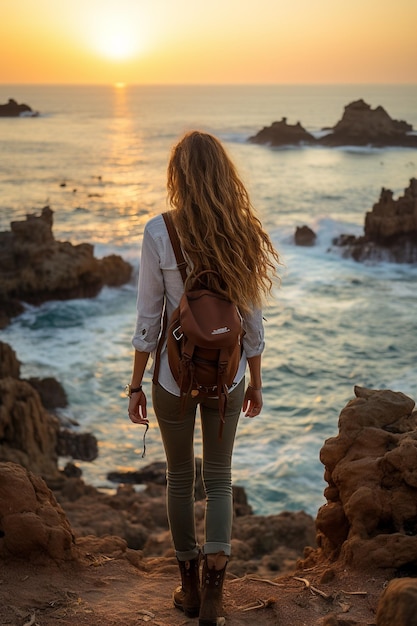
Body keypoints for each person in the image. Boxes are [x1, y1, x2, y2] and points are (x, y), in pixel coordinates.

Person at [127, 131, 280, 625]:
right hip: (227, 373)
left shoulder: (159, 231)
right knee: (219, 479)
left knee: (179, 479)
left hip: (174, 375)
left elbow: (149, 318)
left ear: (179, 177)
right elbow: (251, 319)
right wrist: (254, 379)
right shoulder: (243, 232)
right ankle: (216, 591)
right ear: (223, 174)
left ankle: (189, 590)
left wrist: (136, 383)